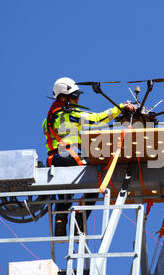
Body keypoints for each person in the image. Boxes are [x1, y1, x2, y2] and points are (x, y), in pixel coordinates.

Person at [42, 77, 136, 236]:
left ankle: (60, 220)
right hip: (69, 156)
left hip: (54, 160)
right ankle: (79, 219)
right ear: (63, 98)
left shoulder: (48, 120)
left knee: (65, 192)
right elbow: (97, 120)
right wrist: (120, 108)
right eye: (74, 96)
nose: (77, 99)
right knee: (96, 182)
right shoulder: (70, 114)